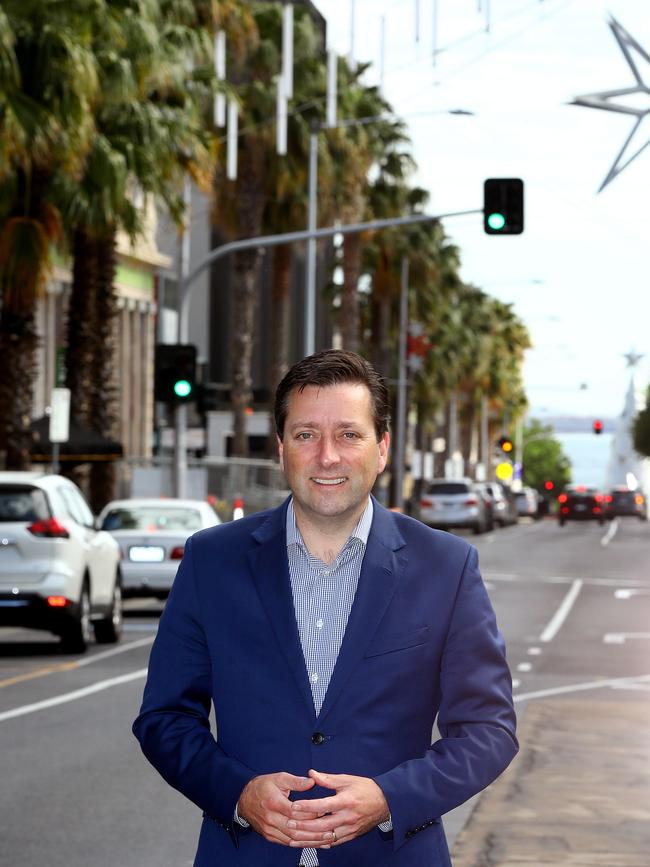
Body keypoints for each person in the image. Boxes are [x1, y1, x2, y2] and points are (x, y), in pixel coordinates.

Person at [133, 349, 517, 867]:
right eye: (306, 434)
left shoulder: (447, 567)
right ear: (281, 448)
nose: (328, 456)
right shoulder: (211, 560)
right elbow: (165, 718)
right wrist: (238, 794)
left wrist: (389, 799)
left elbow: (488, 730)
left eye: (349, 435)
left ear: (381, 449)